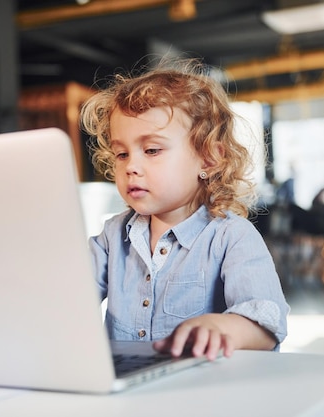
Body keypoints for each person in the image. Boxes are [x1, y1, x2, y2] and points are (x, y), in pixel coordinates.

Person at [80, 59, 289, 361]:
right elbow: (69, 299)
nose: (131, 167)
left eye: (151, 150)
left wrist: (224, 326)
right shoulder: (113, 237)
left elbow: (267, 323)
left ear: (208, 159)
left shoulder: (232, 236)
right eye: (121, 154)